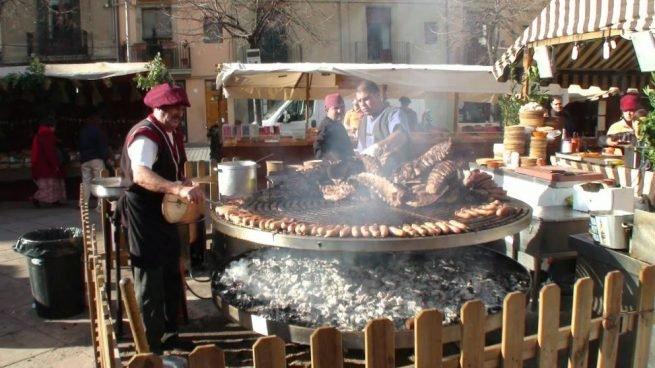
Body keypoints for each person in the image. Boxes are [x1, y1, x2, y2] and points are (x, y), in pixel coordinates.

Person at [118, 83, 203, 354]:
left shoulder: (172, 132)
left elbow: (176, 166)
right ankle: (150, 347)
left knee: (170, 272)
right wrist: (177, 188)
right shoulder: (145, 135)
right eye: (171, 109)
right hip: (144, 214)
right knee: (149, 276)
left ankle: (170, 334)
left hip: (165, 213)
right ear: (156, 108)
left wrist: (184, 180)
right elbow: (141, 175)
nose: (177, 113)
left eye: (180, 108)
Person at [355, 80, 410, 162]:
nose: (362, 104)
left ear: (377, 96)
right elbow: (361, 149)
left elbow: (400, 135)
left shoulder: (393, 114)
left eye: (366, 99)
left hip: (394, 170)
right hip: (369, 170)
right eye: (359, 101)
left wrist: (376, 148)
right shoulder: (364, 121)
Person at [31, 119, 67, 207]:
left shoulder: (40, 134)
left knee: (50, 184)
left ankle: (54, 200)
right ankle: (38, 198)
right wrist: (55, 164)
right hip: (47, 165)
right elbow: (49, 151)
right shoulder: (47, 134)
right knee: (50, 185)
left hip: (42, 163)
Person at [79, 112, 110, 208]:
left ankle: (83, 204)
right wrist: (105, 158)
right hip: (96, 159)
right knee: (100, 181)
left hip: (85, 159)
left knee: (86, 182)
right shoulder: (99, 131)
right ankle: (101, 205)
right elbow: (102, 146)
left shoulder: (83, 132)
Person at [313, 93, 354, 161]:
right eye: (336, 108)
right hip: (334, 169)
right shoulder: (326, 125)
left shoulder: (338, 124)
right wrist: (325, 160)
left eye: (342, 107)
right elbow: (318, 146)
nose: (340, 111)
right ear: (327, 110)